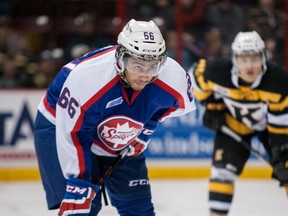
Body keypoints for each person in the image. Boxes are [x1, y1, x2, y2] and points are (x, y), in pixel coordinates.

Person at [34, 19, 196, 216]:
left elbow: (170, 107)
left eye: (153, 66)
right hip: (59, 124)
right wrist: (79, 182)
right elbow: (74, 134)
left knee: (139, 208)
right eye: (137, 66)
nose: (145, 75)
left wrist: (146, 128)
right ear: (121, 58)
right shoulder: (88, 78)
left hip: (116, 127)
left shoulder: (172, 76)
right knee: (81, 208)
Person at [188, 31, 288, 216]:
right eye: (243, 59)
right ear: (234, 59)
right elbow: (193, 79)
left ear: (263, 58)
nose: (249, 66)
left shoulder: (279, 81)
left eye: (254, 59)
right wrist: (212, 105)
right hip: (234, 123)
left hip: (268, 127)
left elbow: (279, 125)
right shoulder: (217, 71)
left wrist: (280, 155)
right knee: (222, 173)